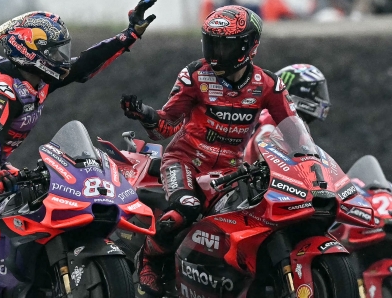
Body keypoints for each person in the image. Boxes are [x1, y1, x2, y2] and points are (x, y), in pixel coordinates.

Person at [0, 1, 157, 292]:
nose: (62, 58)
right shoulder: (4, 89)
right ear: (31, 52)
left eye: (62, 50)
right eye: (55, 52)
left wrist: (129, 34)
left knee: (30, 205)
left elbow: (84, 65)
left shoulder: (40, 79)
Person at [120, 5, 298, 296]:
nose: (215, 53)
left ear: (249, 46)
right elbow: (166, 127)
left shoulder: (268, 84)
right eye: (210, 42)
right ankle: (149, 262)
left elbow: (293, 131)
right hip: (184, 161)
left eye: (223, 45)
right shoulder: (195, 75)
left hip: (230, 172)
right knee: (186, 209)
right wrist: (145, 114)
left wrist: (306, 157)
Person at [244, 63, 332, 164]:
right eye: (316, 93)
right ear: (300, 92)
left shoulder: (267, 115)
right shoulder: (278, 119)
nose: (322, 100)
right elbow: (266, 152)